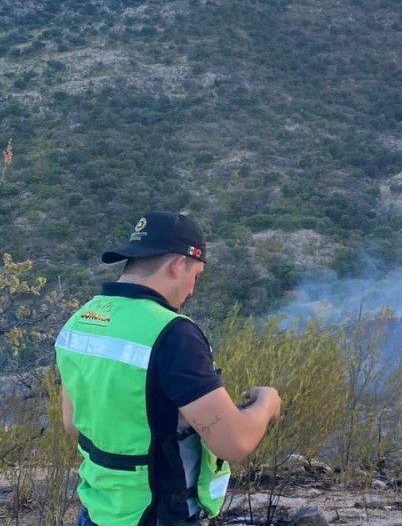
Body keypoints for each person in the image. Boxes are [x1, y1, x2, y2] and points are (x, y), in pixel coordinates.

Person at [55, 211, 282, 526]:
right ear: (178, 264)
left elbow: (72, 423)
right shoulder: (172, 334)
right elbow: (234, 442)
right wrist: (266, 402)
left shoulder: (80, 321)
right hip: (157, 515)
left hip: (97, 511)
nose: (191, 290)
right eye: (196, 276)